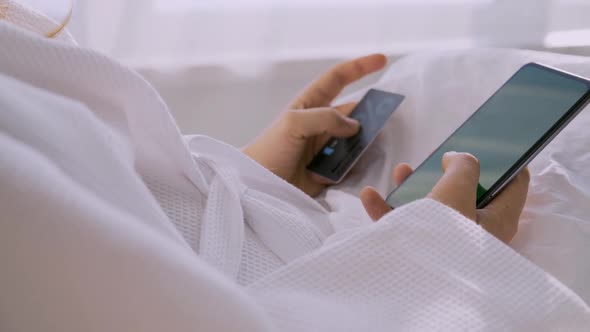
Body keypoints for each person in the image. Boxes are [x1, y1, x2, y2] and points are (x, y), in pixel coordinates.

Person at [0, 1, 588, 330]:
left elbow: (113, 196)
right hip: (358, 284)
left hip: (287, 227)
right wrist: (448, 254)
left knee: (426, 84)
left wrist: (241, 175)